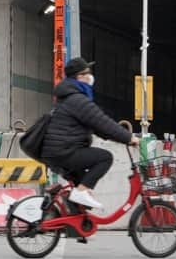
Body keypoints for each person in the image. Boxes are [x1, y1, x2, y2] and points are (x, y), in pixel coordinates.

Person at [41, 57, 139, 210]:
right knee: (105, 158)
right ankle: (80, 194)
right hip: (64, 152)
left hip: (57, 152)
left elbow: (98, 128)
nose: (90, 76)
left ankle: (74, 224)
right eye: (87, 73)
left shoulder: (69, 97)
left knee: (83, 201)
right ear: (79, 77)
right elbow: (102, 122)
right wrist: (128, 137)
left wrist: (121, 139)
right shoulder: (77, 100)